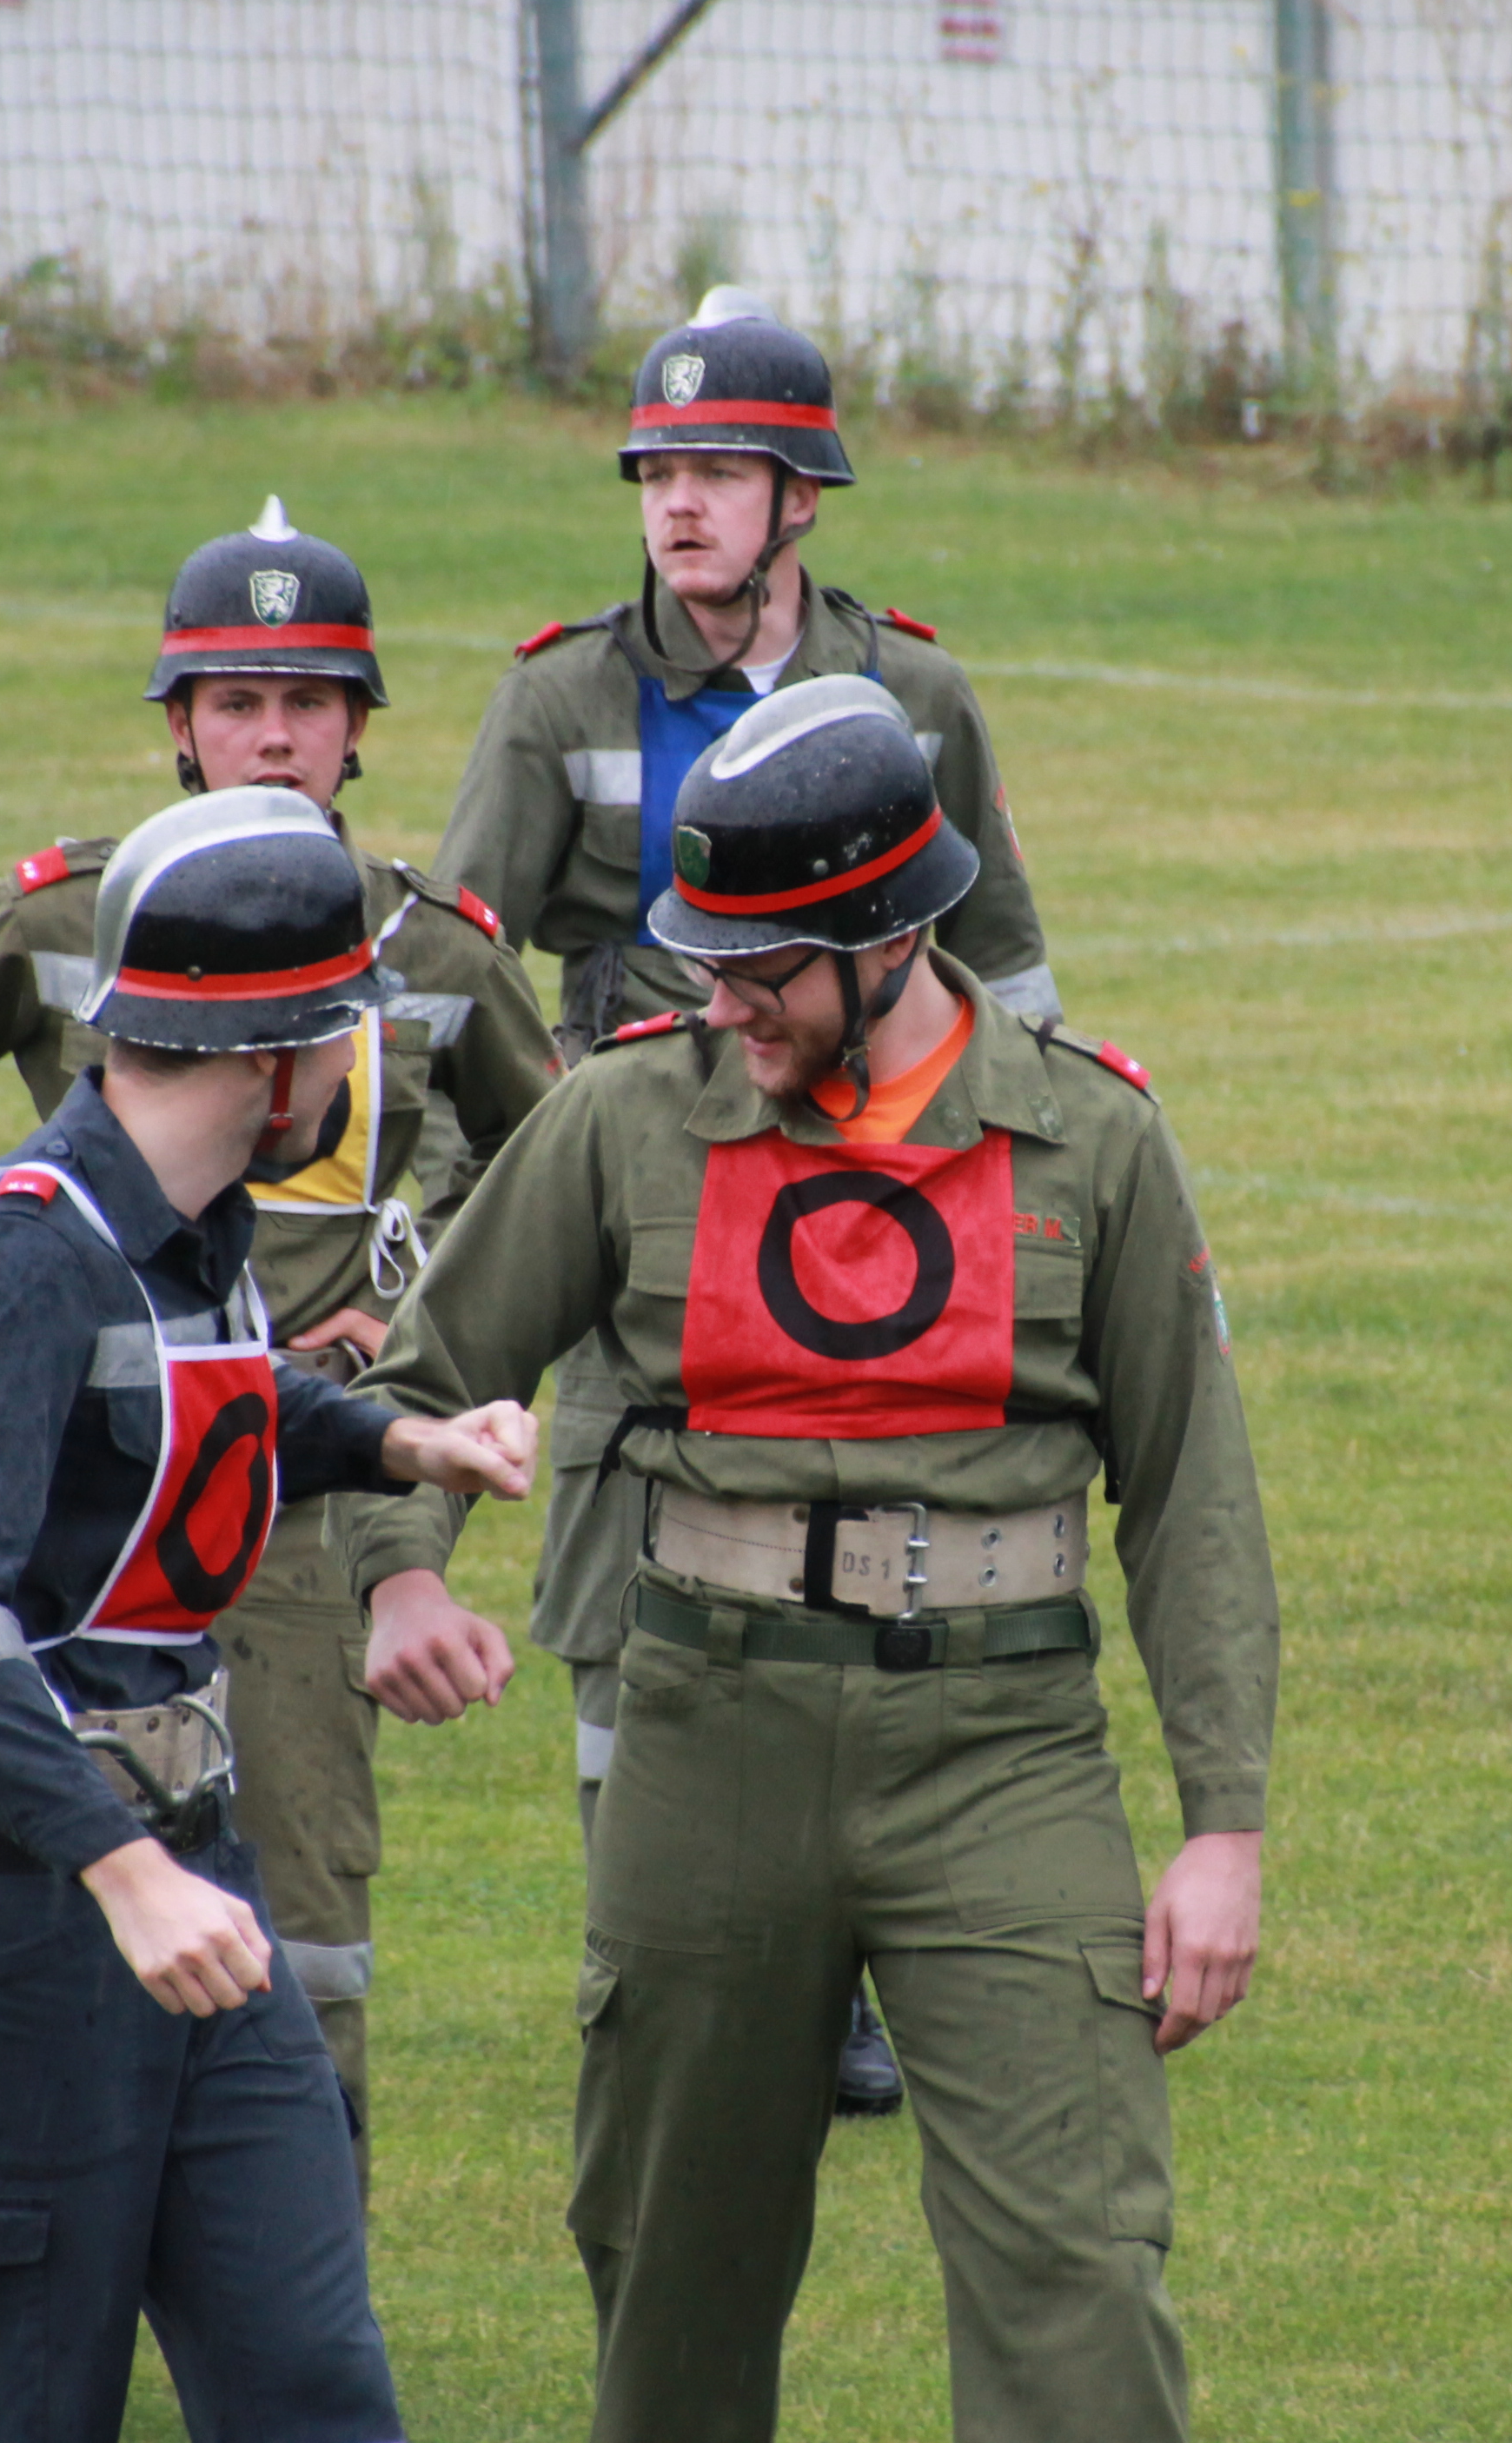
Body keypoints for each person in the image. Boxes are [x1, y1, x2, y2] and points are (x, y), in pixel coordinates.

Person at [343, 676, 1274, 2443]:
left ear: (889, 934)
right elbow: (425, 1373)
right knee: (669, 2280)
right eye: (706, 961)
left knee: (1080, 2271)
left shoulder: (1094, 1137)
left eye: (762, 966)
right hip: (706, 1738)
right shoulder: (626, 1115)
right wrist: (403, 1570)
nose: (723, 1000)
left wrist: (1222, 1826)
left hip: (1005, 1752)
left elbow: (1192, 1496)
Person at [0, 500, 555, 2154]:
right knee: (29, 1848)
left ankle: (287, 2209)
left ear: (360, 728)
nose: (272, 734)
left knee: (299, 1905)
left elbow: (548, 1169)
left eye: (309, 701)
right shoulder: (68, 916)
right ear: (178, 725)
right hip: (87, 1460)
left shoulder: (429, 941)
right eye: (235, 700)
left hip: (302, 1470)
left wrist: (417, 1306)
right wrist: (31, 1243)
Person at [433, 288, 1064, 2111]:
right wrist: (501, 1171)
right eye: (658, 472)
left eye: (721, 470)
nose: (679, 503)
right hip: (645, 1192)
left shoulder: (916, 694)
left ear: (803, 500)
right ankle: (651, 1966)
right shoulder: (558, 695)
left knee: (867, 1553)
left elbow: (1009, 972)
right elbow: (456, 970)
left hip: (886, 1209)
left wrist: (1041, 1200)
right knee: (617, 1573)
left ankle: (843, 1971)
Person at [0, 788, 536, 2443]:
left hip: (199, 1881)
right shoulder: (23, 1257)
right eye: (342, 1040)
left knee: (313, 2383)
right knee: (9, 2400)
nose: (356, 1074)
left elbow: (213, 1397)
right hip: (23, 1915)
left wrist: (398, 1438)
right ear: (270, 1059)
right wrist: (124, 1869)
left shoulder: (193, 1225)